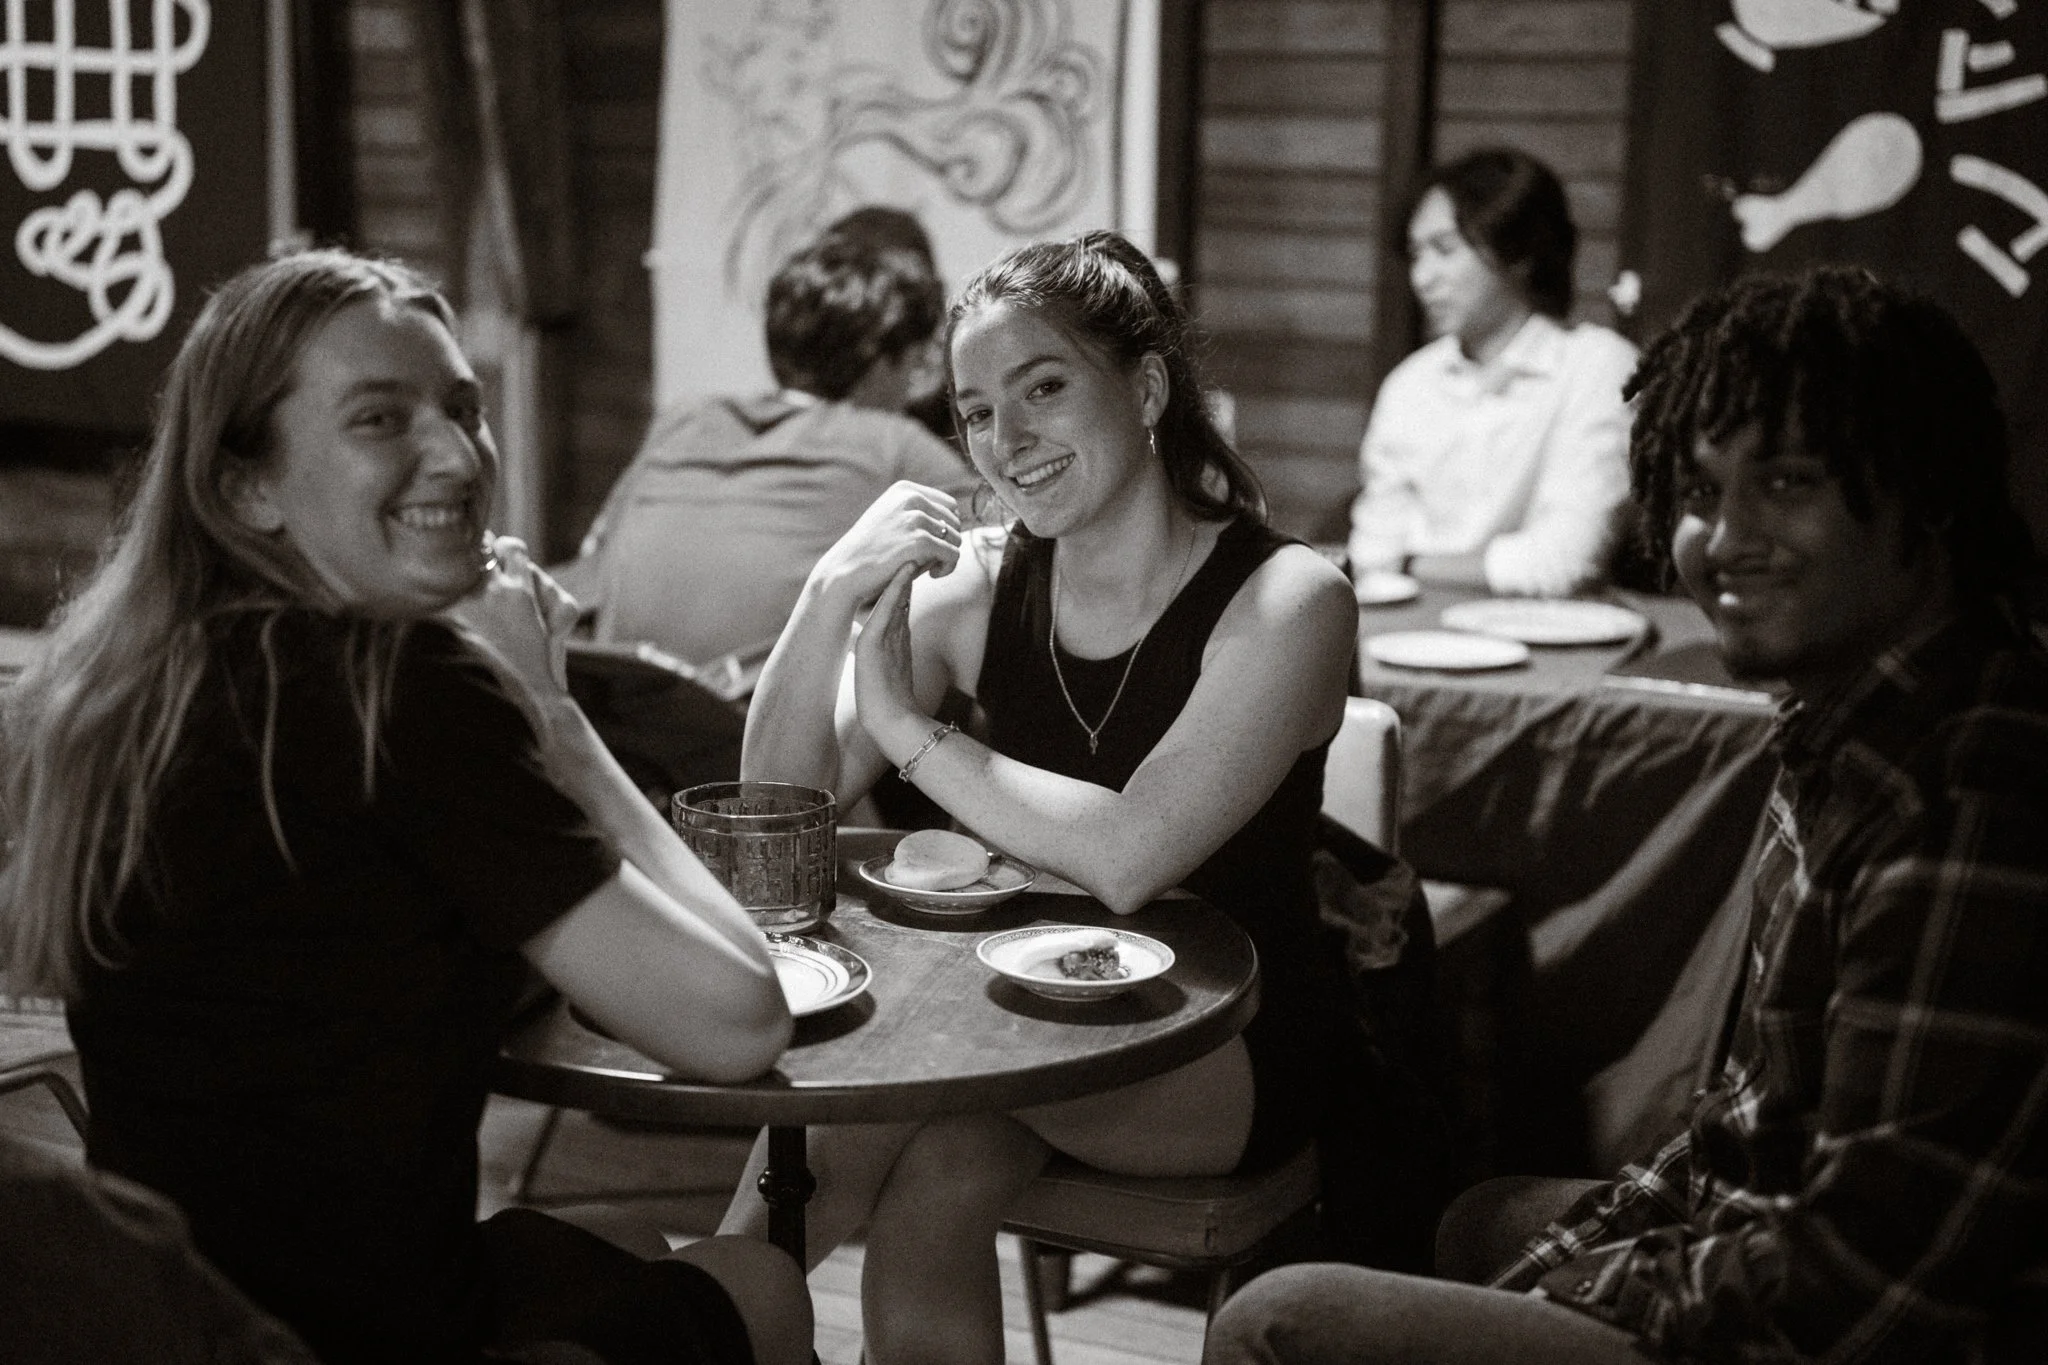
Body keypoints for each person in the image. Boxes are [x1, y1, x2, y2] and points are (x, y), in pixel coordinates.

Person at [1205, 266, 2048, 1365]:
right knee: (1465, 1215)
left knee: (1276, 1321)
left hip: (1870, 1334)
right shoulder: (1848, 721)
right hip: (1782, 1253)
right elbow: (1749, 1130)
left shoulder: (1969, 790)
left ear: (1925, 491)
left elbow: (1855, 1282)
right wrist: (1561, 1267)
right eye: (1696, 494)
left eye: (1785, 482)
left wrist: (1582, 1299)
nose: (1723, 537)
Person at [0, 249, 814, 1365]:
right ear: (246, 486)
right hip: (346, 1339)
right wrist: (546, 704)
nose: (455, 452)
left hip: (159, 1314)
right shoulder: (402, 693)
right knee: (761, 1281)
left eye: (461, 408)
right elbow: (738, 1023)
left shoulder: (129, 678)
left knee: (621, 1234)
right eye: (381, 418)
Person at [721, 229, 1361, 1364]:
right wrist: (827, 594)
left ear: (1148, 386)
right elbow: (771, 821)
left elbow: (1128, 854)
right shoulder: (978, 584)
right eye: (973, 411)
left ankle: (708, 1316)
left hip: (1226, 1042)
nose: (1004, 442)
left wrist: (909, 730)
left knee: (877, 1092)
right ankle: (720, 1320)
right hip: (1005, 1030)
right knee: (934, 1173)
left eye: (1043, 389)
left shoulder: (1289, 600)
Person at [563, 230, 975, 670]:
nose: (918, 385)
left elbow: (597, 561)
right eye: (914, 365)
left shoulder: (684, 420)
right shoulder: (893, 442)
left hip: (617, 694)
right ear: (879, 360)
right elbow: (1006, 547)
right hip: (752, 716)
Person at [1346, 147, 1638, 597]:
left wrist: (1409, 561)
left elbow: (1565, 564)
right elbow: (1370, 555)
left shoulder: (1599, 367)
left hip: (1553, 641)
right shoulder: (1411, 383)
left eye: (1445, 249)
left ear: (1518, 250)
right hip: (1408, 639)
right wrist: (1397, 563)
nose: (1422, 278)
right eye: (1415, 254)